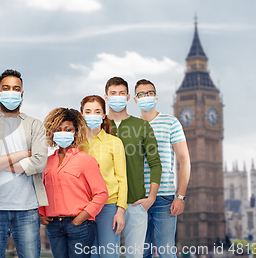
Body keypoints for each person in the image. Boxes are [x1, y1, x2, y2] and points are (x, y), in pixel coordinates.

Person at [0, 69, 48, 258]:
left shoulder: (35, 125)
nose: (11, 92)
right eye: (6, 88)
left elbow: (39, 163)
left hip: (27, 209)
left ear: (22, 94)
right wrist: (23, 154)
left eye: (16, 89)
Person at [103, 77, 162, 258]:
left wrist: (151, 198)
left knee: (135, 256)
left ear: (128, 97)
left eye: (121, 93)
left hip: (135, 202)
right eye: (113, 93)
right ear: (106, 97)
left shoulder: (141, 126)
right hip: (106, 203)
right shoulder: (99, 126)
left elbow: (155, 164)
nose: (117, 97)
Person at [39, 107, 108, 258]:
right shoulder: (46, 162)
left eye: (68, 129)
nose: (63, 132)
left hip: (80, 225)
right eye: (59, 129)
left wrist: (80, 218)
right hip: (54, 226)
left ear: (75, 132)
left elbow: (101, 193)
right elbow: (41, 190)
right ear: (52, 132)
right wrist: (41, 214)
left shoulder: (86, 160)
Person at [132, 79, 190, 258]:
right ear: (135, 100)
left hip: (164, 197)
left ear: (156, 97)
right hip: (138, 198)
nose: (145, 97)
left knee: (166, 251)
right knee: (142, 252)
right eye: (141, 94)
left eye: (149, 93)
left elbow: (184, 160)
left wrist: (180, 196)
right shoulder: (131, 126)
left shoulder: (171, 122)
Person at [79, 95, 127, 258]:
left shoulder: (114, 142)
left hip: (108, 207)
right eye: (88, 111)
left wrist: (120, 211)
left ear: (104, 115)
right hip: (83, 208)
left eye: (97, 111)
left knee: (108, 254)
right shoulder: (75, 144)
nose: (92, 115)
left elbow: (122, 179)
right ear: (82, 114)